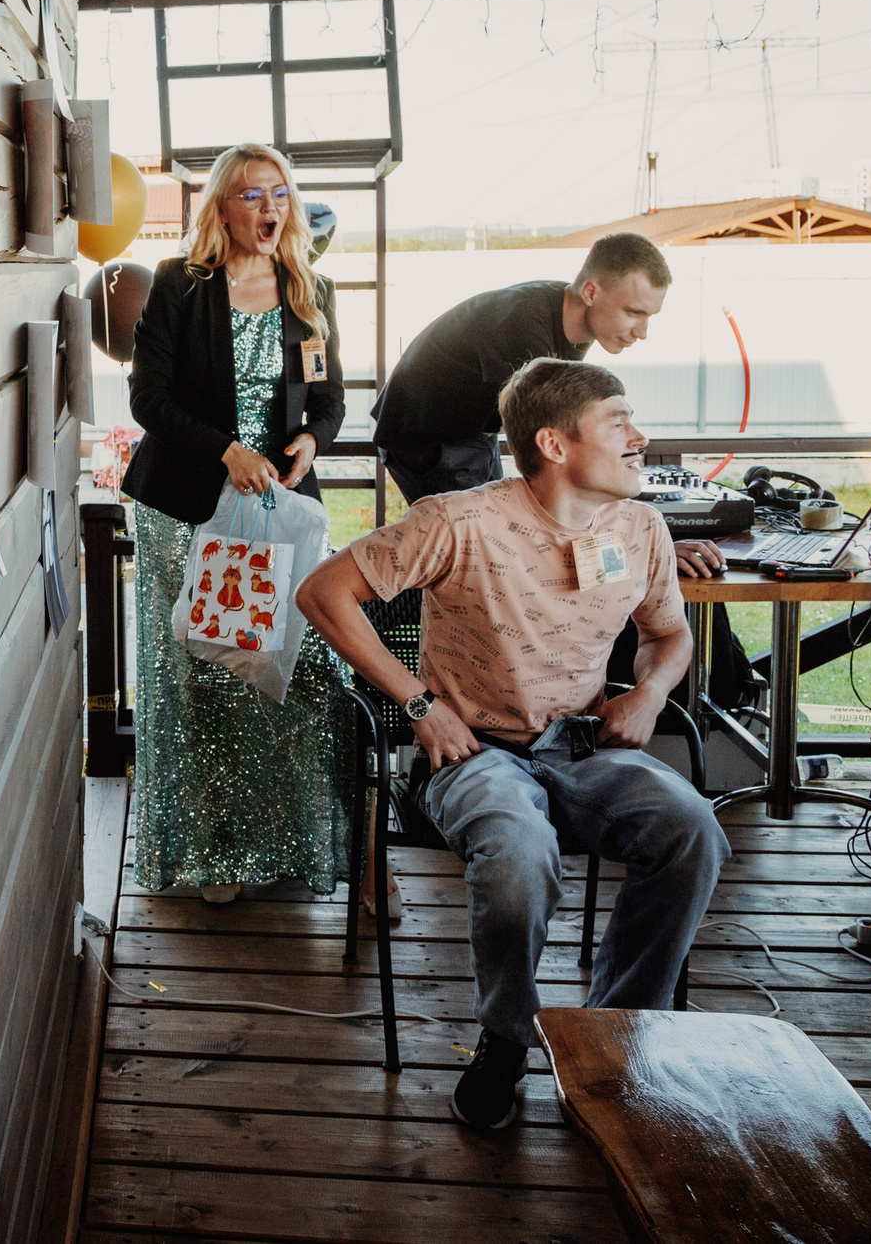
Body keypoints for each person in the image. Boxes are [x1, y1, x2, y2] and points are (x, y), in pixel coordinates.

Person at [297, 357, 730, 1132]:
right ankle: (504, 1040)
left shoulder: (640, 528)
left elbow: (669, 636)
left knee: (693, 827)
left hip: (589, 747)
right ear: (555, 444)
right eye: (618, 421)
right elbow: (323, 593)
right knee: (519, 851)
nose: (642, 437)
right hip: (475, 755)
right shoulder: (458, 521)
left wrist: (651, 691)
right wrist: (420, 705)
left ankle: (616, 1031)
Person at [121, 143, 353, 906]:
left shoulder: (308, 288)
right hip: (187, 511)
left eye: (280, 194)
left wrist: (311, 440)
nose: (269, 209)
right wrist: (226, 451)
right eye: (252, 195)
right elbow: (148, 402)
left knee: (293, 675)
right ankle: (209, 850)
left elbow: (330, 401)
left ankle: (285, 846)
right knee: (201, 681)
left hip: (275, 517)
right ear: (222, 206)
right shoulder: (180, 286)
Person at [371, 231, 672, 504]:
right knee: (475, 545)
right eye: (634, 313)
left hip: (474, 430)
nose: (642, 331)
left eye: (649, 316)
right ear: (591, 293)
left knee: (495, 531)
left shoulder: (574, 319)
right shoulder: (522, 323)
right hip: (424, 433)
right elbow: (548, 433)